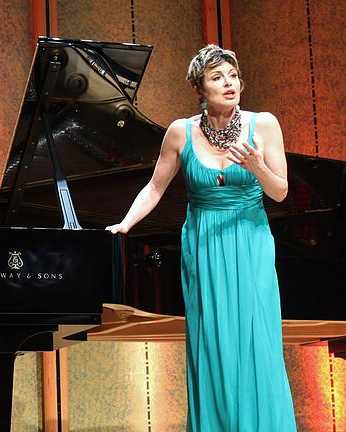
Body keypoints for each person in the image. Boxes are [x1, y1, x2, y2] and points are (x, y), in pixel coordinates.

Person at [106, 45, 297, 431]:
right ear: (200, 88)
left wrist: (258, 166)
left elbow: (280, 192)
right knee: (211, 344)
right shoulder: (181, 132)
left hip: (250, 240)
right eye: (217, 77)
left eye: (232, 76)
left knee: (257, 342)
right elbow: (154, 188)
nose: (228, 84)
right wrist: (125, 224)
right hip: (204, 243)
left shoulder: (265, 125)